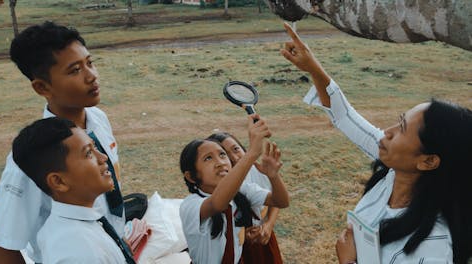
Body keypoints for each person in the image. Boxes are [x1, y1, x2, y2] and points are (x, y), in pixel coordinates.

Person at [280, 22, 472, 264]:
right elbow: (344, 115)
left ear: (428, 161)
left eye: (402, 129)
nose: (387, 132)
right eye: (399, 121)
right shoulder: (395, 172)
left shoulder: (432, 247)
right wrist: (313, 67)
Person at [0, 21, 126, 263]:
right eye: (75, 70)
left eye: (90, 63)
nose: (91, 76)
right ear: (42, 87)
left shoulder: (97, 119)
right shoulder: (32, 159)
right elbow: (0, 248)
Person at [11, 117, 134, 263]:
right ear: (59, 181)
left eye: (95, 147)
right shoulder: (79, 253)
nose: (103, 157)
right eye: (88, 153)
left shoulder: (78, 224)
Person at [179, 115, 289, 264]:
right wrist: (252, 153)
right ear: (191, 176)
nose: (220, 163)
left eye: (222, 155)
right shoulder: (191, 205)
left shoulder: (242, 190)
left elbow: (281, 201)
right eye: (208, 158)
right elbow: (217, 204)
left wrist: (273, 177)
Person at [207, 132, 283, 264]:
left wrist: (268, 226)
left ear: (245, 149)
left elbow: (275, 200)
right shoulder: (213, 186)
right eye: (224, 154)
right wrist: (240, 235)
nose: (235, 158)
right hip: (232, 250)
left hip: (263, 240)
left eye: (236, 149)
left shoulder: (257, 170)